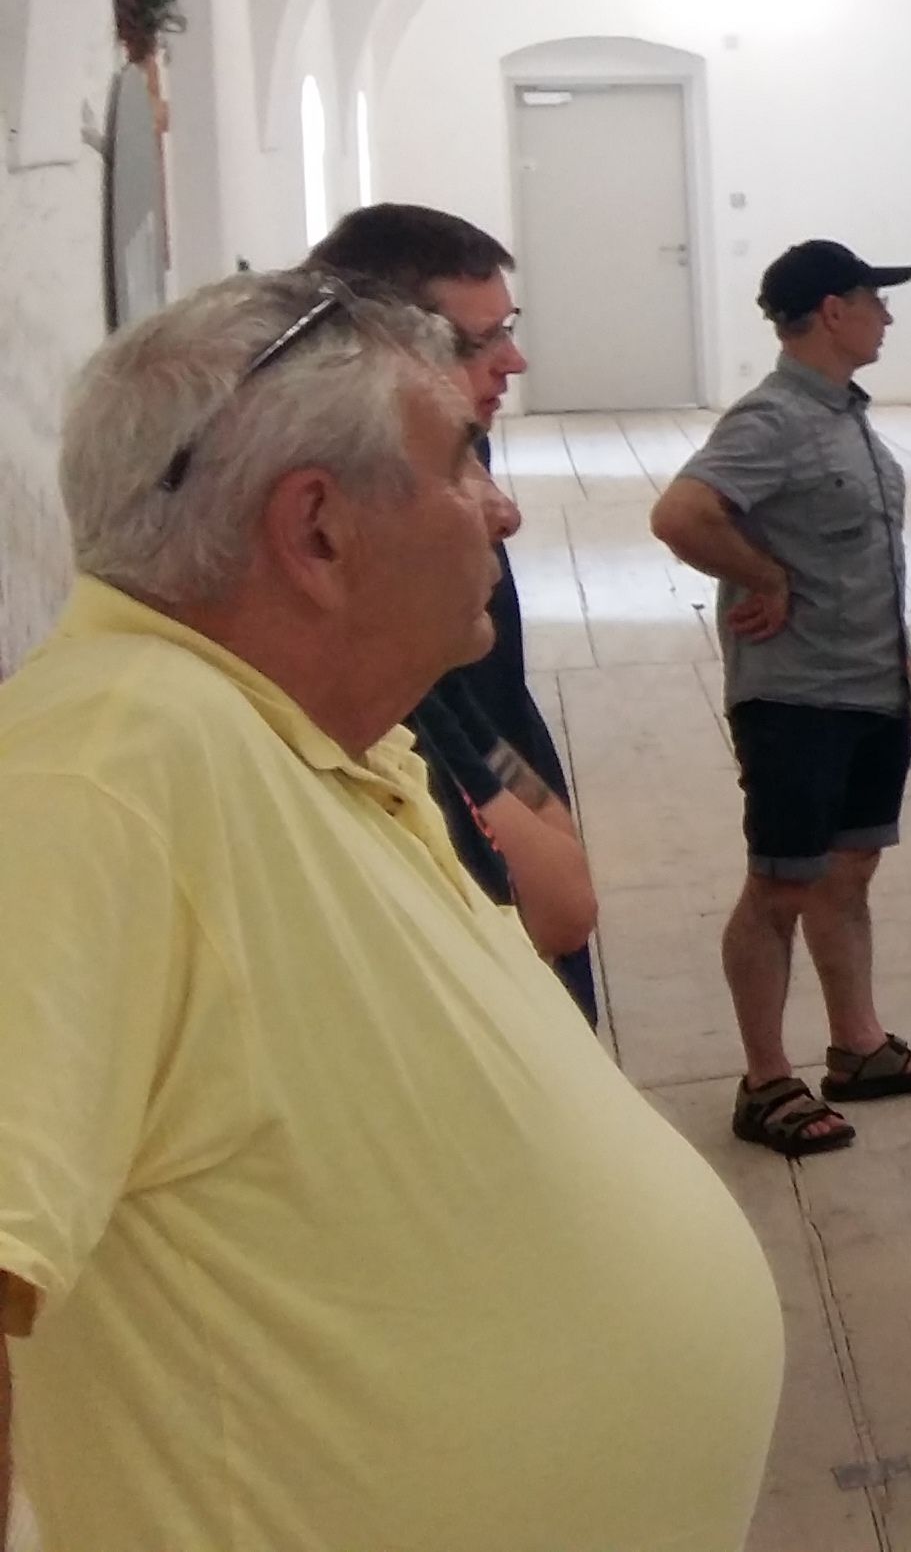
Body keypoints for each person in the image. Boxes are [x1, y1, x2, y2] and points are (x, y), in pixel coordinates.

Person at [0, 273, 777, 1548]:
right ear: (316, 530)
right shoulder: (101, 770)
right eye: (462, 462)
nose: (502, 507)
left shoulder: (316, 726)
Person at [652, 238, 911, 1158]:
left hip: (868, 687)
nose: (887, 315)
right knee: (781, 883)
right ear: (834, 311)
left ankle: (859, 1048)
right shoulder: (775, 419)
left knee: (849, 869)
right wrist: (765, 576)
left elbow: (860, 560)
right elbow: (681, 514)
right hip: (797, 698)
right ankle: (765, 1081)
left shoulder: (844, 414)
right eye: (876, 299)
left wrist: (904, 671)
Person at [309, 201, 600, 1014]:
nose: (514, 360)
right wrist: (527, 815)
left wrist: (528, 791)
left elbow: (485, 715)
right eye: (482, 340)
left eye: (510, 327)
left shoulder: (455, 445)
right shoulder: (382, 548)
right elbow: (559, 904)